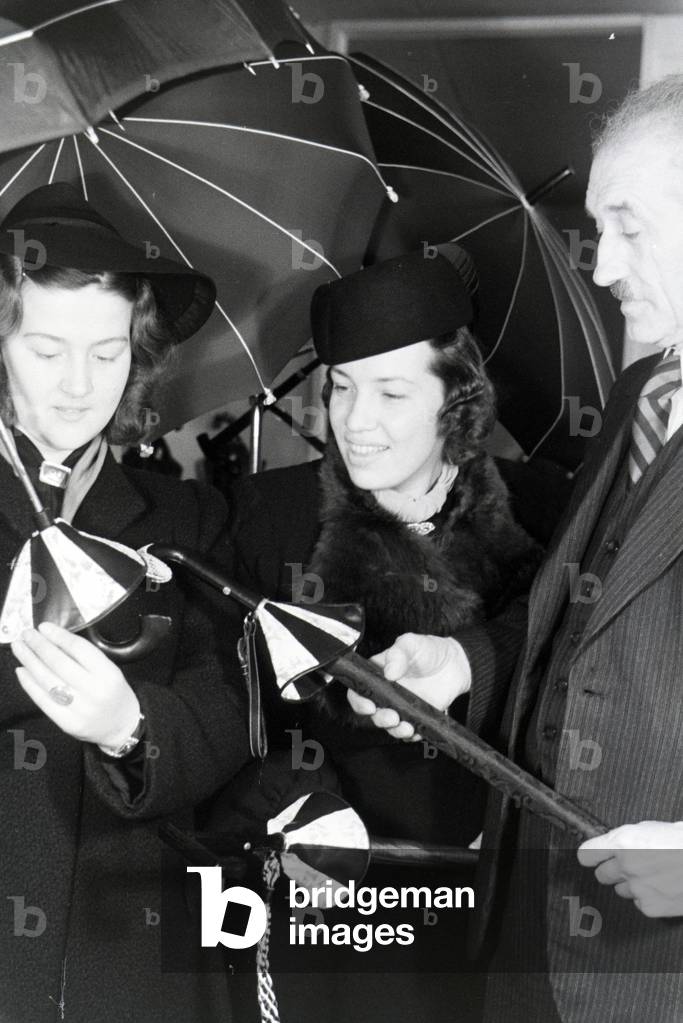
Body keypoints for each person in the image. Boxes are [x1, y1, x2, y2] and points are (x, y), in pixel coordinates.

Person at [350, 75, 683, 1022]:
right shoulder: (639, 395)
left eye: (629, 224)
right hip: (531, 930)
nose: (602, 263)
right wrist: (463, 660)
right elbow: (581, 616)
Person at [220, 246, 544, 1022]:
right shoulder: (265, 515)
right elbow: (216, 714)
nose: (354, 422)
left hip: (497, 919)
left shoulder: (550, 511)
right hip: (326, 908)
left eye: (392, 392)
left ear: (458, 401)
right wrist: (294, 805)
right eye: (339, 387)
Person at [0, 183, 249, 1023]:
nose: (79, 386)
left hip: (127, 952)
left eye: (106, 354)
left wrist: (129, 728)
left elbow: (229, 711)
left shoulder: (187, 516)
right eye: (45, 350)